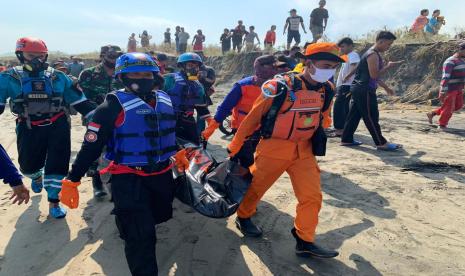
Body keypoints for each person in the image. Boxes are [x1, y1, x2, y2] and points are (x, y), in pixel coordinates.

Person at [60, 52, 189, 275]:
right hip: (128, 177)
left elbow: (165, 131)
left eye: (148, 73)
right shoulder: (110, 107)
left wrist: (179, 151)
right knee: (141, 237)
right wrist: (73, 179)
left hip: (162, 174)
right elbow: (90, 146)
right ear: (123, 77)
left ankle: (125, 221)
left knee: (160, 215)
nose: (143, 78)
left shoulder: (165, 100)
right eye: (136, 73)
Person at [227, 42, 343, 258]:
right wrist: (235, 146)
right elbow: (253, 118)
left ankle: (305, 240)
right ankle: (243, 216)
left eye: (334, 67)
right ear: (308, 63)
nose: (330, 71)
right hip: (274, 148)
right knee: (256, 187)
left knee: (312, 196)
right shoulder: (279, 87)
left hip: (305, 152)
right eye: (326, 65)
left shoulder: (327, 89)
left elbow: (324, 117)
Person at [0, 37, 96, 218]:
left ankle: (54, 203)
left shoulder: (59, 77)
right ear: (20, 55)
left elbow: (82, 102)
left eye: (41, 56)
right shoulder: (7, 78)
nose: (36, 60)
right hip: (28, 127)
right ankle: (36, 176)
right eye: (30, 55)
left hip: (57, 125)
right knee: (27, 166)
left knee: (57, 166)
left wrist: (100, 120)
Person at [201, 55, 287, 167]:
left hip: (261, 131)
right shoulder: (242, 85)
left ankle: (232, 173)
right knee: (245, 162)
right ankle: (232, 177)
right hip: (241, 131)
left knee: (245, 159)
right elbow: (224, 108)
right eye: (275, 67)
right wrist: (208, 132)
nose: (278, 70)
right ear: (263, 68)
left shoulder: (278, 88)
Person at [341, 31, 403, 151]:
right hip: (364, 90)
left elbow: (370, 76)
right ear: (381, 41)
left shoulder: (370, 53)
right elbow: (374, 75)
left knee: (354, 115)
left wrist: (386, 87)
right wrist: (388, 67)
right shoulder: (372, 55)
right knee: (371, 116)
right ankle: (380, 143)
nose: (388, 47)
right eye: (388, 44)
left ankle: (346, 139)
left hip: (358, 88)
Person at [78, 45, 124, 198]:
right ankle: (97, 183)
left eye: (117, 55)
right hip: (95, 119)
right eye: (111, 55)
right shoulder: (88, 74)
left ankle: (116, 180)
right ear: (103, 55)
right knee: (95, 149)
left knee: (116, 147)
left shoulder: (123, 74)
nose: (114, 58)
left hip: (119, 119)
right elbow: (81, 99)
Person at [163, 53, 211, 144]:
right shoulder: (169, 79)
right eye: (190, 65)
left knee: (195, 145)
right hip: (167, 120)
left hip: (187, 120)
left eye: (196, 66)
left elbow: (201, 109)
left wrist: (210, 123)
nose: (194, 68)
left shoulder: (198, 86)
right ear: (182, 66)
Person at [427, 41, 465, 130]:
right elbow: (445, 77)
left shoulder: (462, 61)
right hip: (450, 89)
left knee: (458, 106)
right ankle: (442, 125)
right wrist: (443, 90)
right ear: (461, 50)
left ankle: (433, 113)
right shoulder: (450, 61)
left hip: (459, 88)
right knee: (449, 108)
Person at [333, 37, 360, 136]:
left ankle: (339, 128)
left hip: (347, 84)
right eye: (340, 47)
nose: (341, 49)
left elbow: (355, 66)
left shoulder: (353, 54)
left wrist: (347, 76)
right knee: (343, 106)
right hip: (344, 84)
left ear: (350, 46)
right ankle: (343, 127)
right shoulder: (347, 56)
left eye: (343, 46)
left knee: (339, 106)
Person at [197, 65, 216, 133]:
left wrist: (202, 77)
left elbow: (212, 80)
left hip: (203, 95)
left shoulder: (209, 69)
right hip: (190, 94)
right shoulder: (190, 68)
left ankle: (200, 134)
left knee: (201, 115)